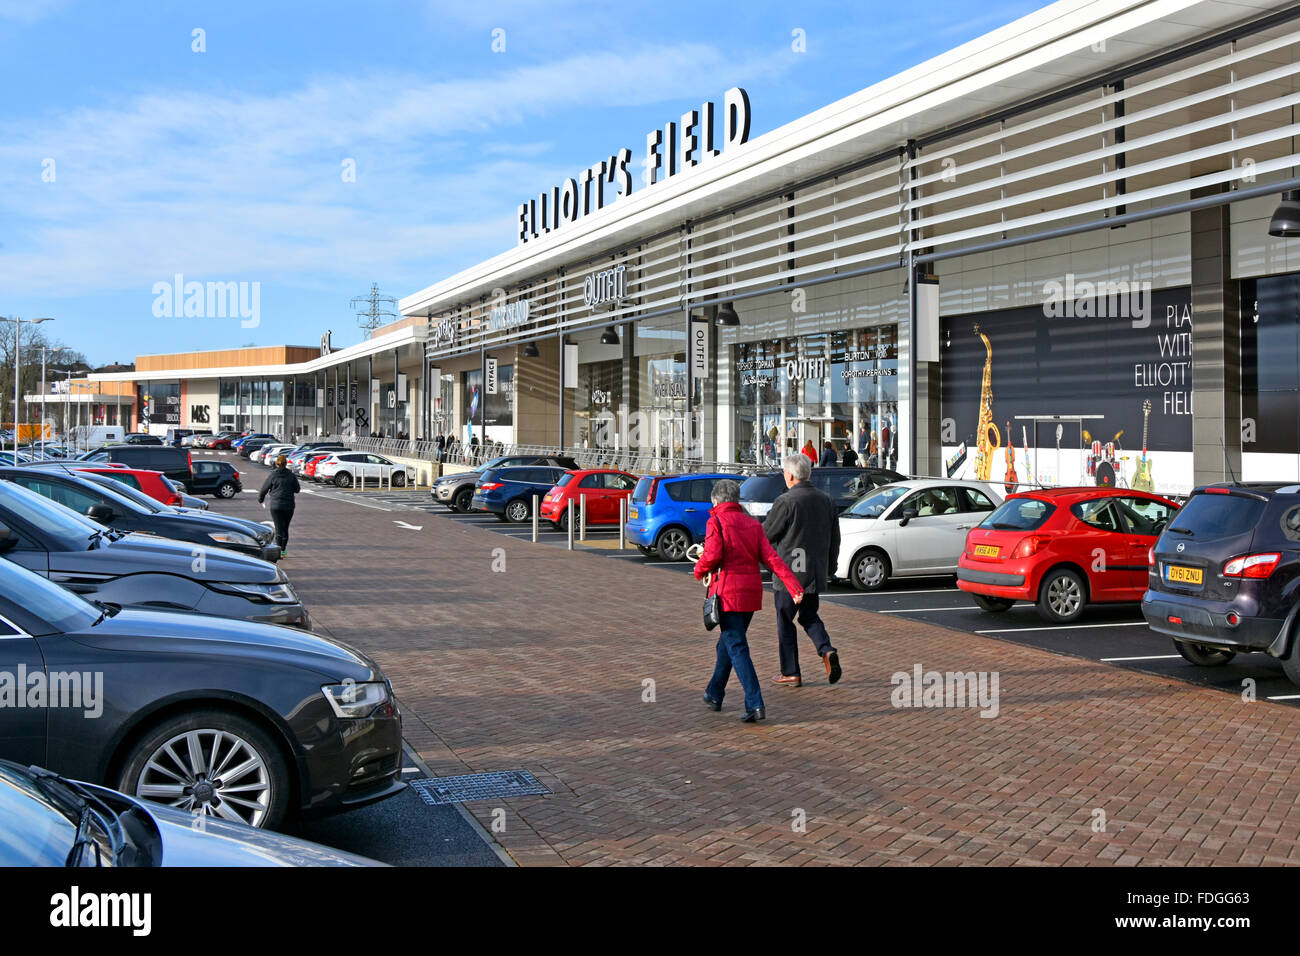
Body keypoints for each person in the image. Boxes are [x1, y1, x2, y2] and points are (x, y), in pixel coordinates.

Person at [695, 480, 804, 723]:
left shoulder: (716, 521)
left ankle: (755, 703)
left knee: (736, 647)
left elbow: (712, 555)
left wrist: (699, 569)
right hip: (750, 594)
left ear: (716, 500)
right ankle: (714, 693)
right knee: (727, 643)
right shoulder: (753, 524)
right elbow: (772, 558)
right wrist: (793, 585)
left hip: (727, 593)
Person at [763, 453, 842, 687]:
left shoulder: (786, 501)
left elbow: (766, 534)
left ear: (789, 475)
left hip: (789, 573)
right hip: (814, 571)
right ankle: (826, 649)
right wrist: (831, 565)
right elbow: (835, 538)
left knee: (785, 620)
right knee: (809, 616)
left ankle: (791, 671)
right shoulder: (826, 500)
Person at [258, 454, 301, 557]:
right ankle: (283, 551)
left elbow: (264, 489)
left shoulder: (273, 475)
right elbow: (297, 489)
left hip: (276, 505)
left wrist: (261, 499)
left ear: (277, 463)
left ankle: (278, 550)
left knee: (278, 528)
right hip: (289, 505)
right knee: (285, 528)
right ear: (286, 464)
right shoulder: (291, 475)